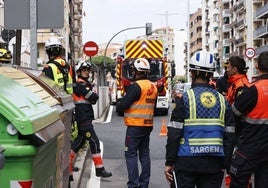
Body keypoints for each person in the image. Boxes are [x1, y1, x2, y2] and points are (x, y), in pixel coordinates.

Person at [164, 50, 236, 188]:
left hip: (186, 162)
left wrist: (169, 162)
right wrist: (225, 163)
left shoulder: (185, 99)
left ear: (192, 72)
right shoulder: (223, 101)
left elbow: (174, 134)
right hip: (214, 163)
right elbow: (230, 135)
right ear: (211, 74)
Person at [117, 58, 158, 188]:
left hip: (135, 125)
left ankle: (133, 184)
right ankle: (144, 184)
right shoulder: (153, 86)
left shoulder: (136, 87)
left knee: (130, 154)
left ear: (138, 72)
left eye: (134, 70)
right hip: (147, 125)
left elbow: (122, 105)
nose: (133, 72)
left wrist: (120, 103)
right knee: (144, 154)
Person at [229, 51, 268, 188]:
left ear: (257, 66)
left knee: (238, 181)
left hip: (251, 146)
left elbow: (234, 112)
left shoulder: (253, 89)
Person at [71, 60, 112, 178]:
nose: (86, 72)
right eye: (84, 70)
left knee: (78, 143)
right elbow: (94, 98)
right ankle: (100, 169)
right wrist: (92, 95)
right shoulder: (80, 85)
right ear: (79, 72)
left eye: (88, 70)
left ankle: (67, 165)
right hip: (83, 119)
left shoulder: (85, 85)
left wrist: (92, 96)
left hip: (84, 118)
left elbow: (93, 98)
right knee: (94, 141)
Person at [225, 56, 250, 144]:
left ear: (235, 69)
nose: (227, 70)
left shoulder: (241, 85)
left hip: (239, 129)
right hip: (234, 126)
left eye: (228, 67)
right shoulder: (234, 83)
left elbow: (237, 110)